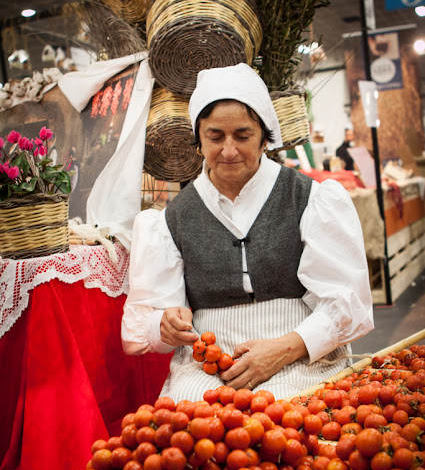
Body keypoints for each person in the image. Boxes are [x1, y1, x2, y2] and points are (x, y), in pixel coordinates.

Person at [121, 63, 373, 402]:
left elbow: (347, 304)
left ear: (265, 137)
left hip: (299, 355)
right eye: (214, 136)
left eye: (242, 135)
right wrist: (164, 324)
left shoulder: (311, 199)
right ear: (198, 139)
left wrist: (285, 349)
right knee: (194, 432)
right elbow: (143, 325)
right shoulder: (170, 219)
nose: (228, 150)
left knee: (282, 423)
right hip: (206, 366)